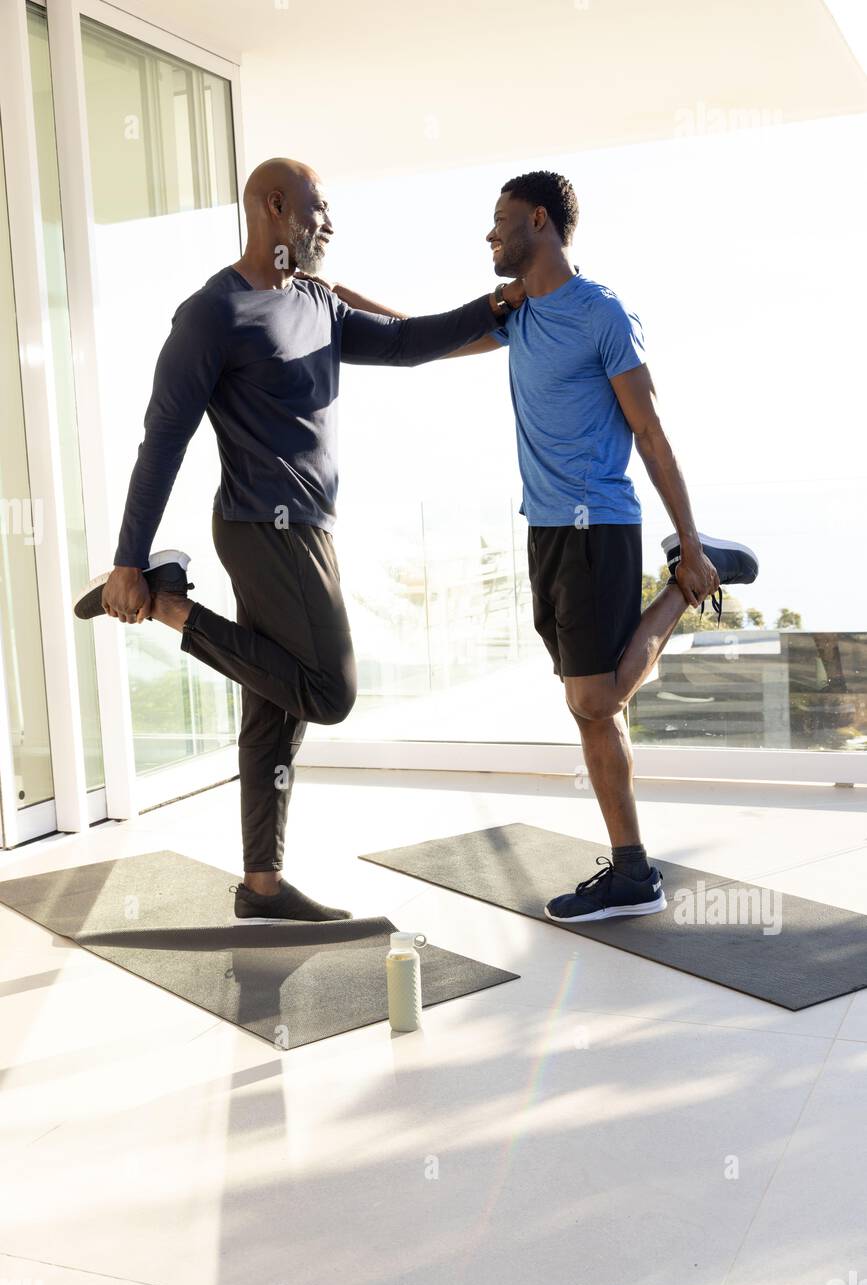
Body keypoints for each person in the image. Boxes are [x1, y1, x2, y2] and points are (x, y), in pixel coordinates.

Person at [75, 157, 524, 924]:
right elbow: (163, 440)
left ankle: (262, 886)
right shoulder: (213, 313)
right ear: (275, 207)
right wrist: (126, 560)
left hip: (309, 529)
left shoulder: (316, 301)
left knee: (272, 707)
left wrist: (496, 307)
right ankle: (168, 606)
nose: (328, 223)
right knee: (329, 693)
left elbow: (409, 341)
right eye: (317, 208)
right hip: (260, 529)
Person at [326, 170, 758, 923]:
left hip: (599, 524)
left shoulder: (603, 314)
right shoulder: (515, 314)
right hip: (548, 530)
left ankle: (687, 580)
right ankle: (631, 872)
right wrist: (341, 300)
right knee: (591, 711)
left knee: (594, 697)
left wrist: (686, 541)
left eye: (498, 221)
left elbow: (649, 431)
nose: (489, 236)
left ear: (539, 221)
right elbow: (415, 339)